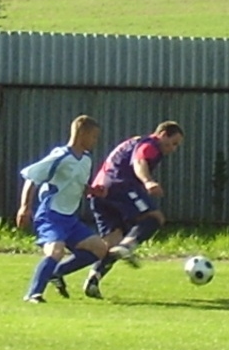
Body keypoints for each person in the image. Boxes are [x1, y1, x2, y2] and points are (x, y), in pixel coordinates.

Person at [76, 120, 184, 299]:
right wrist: (147, 181)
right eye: (173, 143)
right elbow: (139, 162)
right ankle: (128, 246)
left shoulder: (135, 141)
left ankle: (92, 278)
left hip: (99, 192)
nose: (173, 149)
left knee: (112, 242)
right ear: (162, 134)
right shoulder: (150, 144)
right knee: (154, 217)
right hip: (120, 186)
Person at [15, 115, 108, 303]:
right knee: (56, 251)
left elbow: (77, 185)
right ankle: (33, 294)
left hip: (69, 219)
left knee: (99, 249)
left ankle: (56, 273)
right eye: (93, 137)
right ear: (82, 134)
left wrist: (92, 191)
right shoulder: (60, 156)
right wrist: (25, 207)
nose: (95, 141)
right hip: (51, 215)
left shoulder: (86, 159)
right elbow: (32, 177)